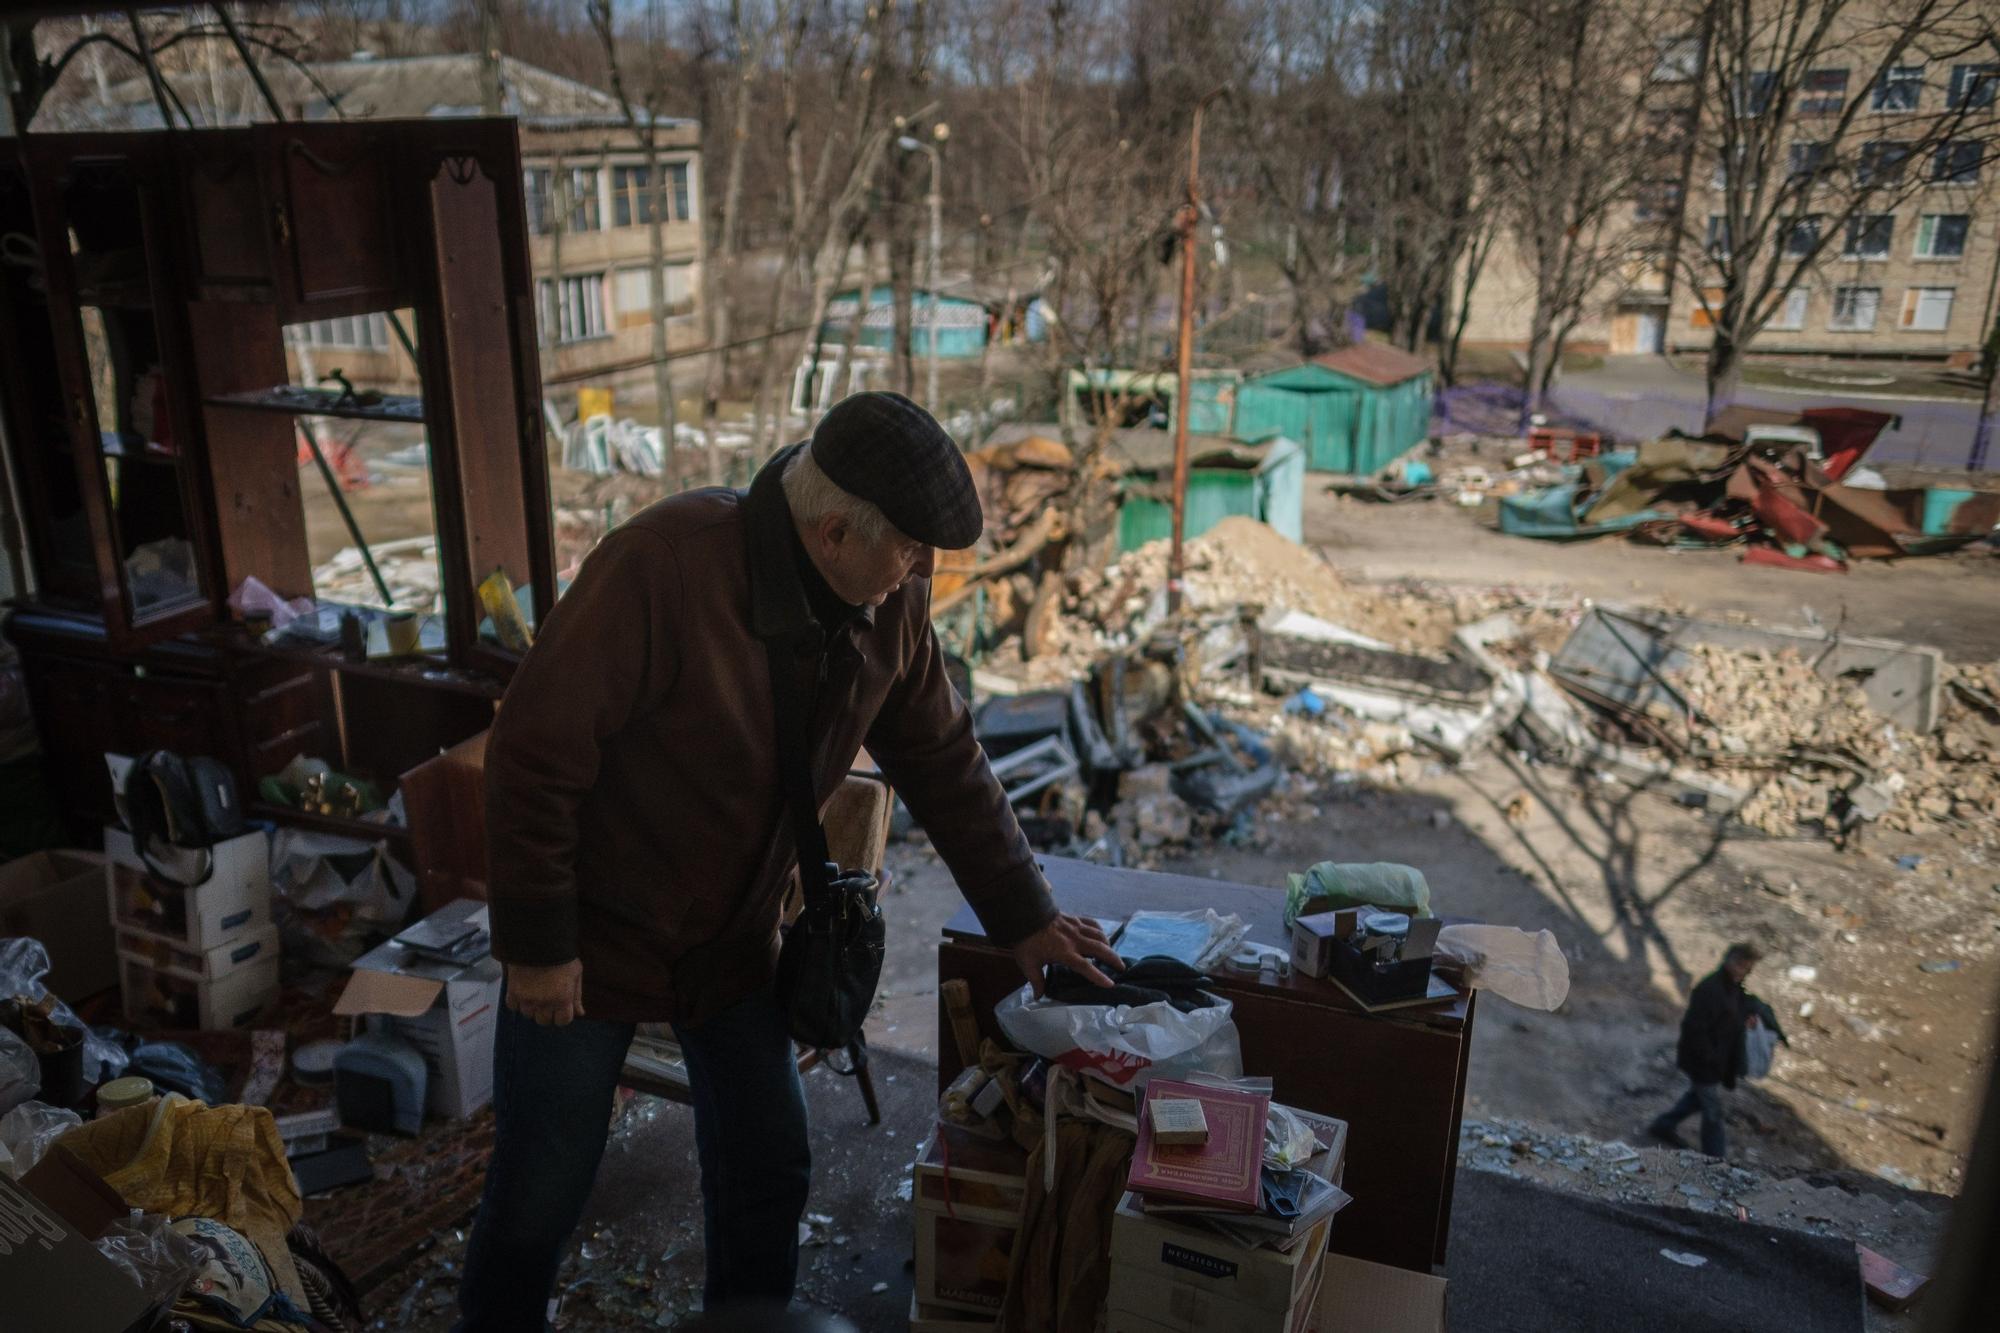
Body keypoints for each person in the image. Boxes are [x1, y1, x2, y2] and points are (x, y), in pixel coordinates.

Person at [454, 392, 1122, 1331]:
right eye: (909, 549)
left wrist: (1025, 913)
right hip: (591, 935)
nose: (923, 570)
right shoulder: (665, 565)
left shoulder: (887, 600)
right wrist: (537, 943)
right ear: (836, 530)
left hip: (732, 936)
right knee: (538, 1191)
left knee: (770, 1166)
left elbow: (940, 755)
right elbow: (532, 753)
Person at [1648, 942, 1772, 1159]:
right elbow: (1695, 1030)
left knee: (1696, 1098)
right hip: (1703, 1063)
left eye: (1748, 968)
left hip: (1715, 1061)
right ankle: (1715, 1159)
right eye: (1742, 966)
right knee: (1713, 1113)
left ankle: (1662, 1125)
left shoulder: (1732, 987)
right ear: (1730, 961)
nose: (1745, 972)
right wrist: (1711, 1060)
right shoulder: (1709, 990)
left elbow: (1731, 1014)